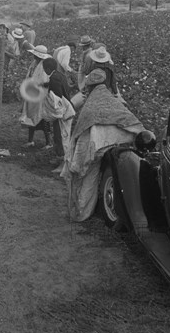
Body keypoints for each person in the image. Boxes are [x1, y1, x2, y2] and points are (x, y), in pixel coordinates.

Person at [61, 68, 144, 222]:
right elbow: (129, 120)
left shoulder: (91, 104)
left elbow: (81, 130)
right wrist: (141, 133)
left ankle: (81, 212)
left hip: (93, 148)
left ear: (90, 87)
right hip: (116, 144)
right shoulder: (112, 100)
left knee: (86, 176)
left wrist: (76, 156)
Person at [40, 57, 75, 170]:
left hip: (62, 111)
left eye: (45, 69)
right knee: (61, 135)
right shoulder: (59, 75)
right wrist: (46, 85)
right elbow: (64, 88)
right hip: (67, 109)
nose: (45, 71)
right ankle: (60, 158)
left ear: (48, 68)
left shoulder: (54, 78)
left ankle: (63, 163)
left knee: (61, 136)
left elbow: (57, 97)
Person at [19, 45, 53, 148]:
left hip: (41, 95)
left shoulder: (46, 65)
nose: (33, 56)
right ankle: (30, 141)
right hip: (33, 94)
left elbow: (48, 81)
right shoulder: (34, 64)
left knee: (43, 117)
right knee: (31, 116)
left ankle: (48, 143)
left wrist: (39, 85)